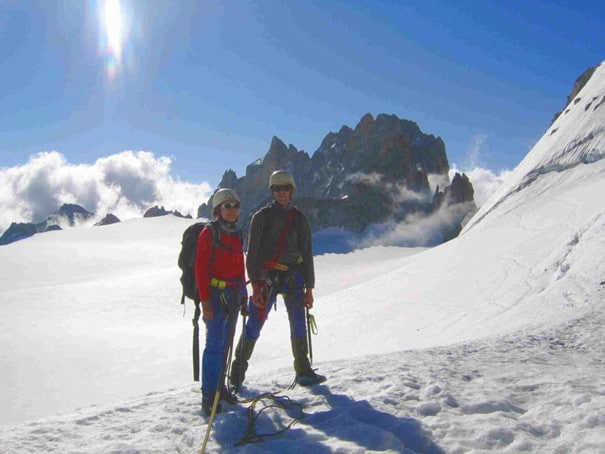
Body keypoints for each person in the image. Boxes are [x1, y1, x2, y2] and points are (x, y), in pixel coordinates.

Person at [231, 170, 326, 390]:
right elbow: (252, 254)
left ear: (292, 190)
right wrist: (255, 283)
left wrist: (309, 288)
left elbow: (307, 254)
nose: (282, 192)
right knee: (255, 323)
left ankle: (303, 370)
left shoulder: (300, 219)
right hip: (267, 279)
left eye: (285, 188)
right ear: (272, 191)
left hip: (293, 277)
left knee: (298, 323)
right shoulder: (261, 217)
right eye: (277, 189)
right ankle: (237, 373)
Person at [194, 188, 247, 415]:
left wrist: (244, 295)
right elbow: (200, 269)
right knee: (215, 344)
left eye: (235, 206)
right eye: (227, 206)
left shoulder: (236, 233)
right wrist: (205, 301)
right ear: (218, 210)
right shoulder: (209, 233)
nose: (232, 210)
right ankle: (209, 396)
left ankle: (220, 388)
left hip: (233, 295)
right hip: (214, 296)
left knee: (225, 343)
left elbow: (239, 265)